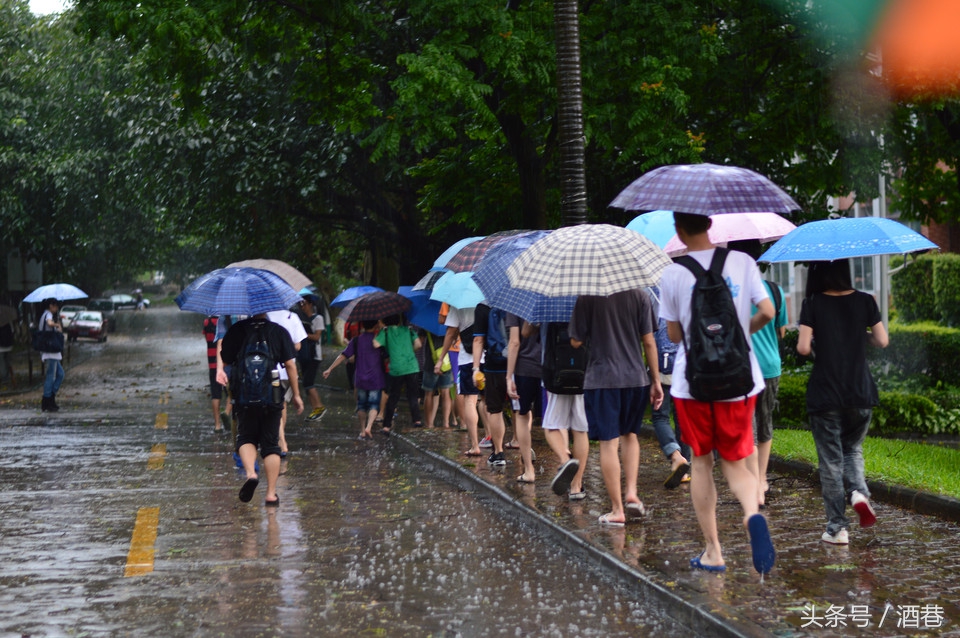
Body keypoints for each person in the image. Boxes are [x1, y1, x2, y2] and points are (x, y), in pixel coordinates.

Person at [659, 212, 775, 574]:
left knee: (702, 462)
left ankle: (713, 551)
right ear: (710, 225)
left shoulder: (673, 273)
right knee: (736, 462)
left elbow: (676, 337)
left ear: (679, 230)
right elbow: (768, 312)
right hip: (740, 381)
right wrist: (742, 330)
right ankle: (751, 514)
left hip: (692, 385)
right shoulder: (741, 261)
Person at [797, 259, 888, 545]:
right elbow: (882, 340)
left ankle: (837, 528)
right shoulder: (865, 301)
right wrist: (861, 337)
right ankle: (859, 492)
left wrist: (817, 343)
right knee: (852, 450)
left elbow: (801, 347)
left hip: (826, 393)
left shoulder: (812, 303)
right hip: (860, 391)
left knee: (831, 462)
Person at [569, 289, 662, 526]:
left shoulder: (586, 296)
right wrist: (656, 380)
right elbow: (649, 341)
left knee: (609, 443)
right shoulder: (640, 295)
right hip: (635, 378)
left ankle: (617, 510)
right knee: (630, 435)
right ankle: (631, 492)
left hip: (602, 379)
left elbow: (576, 341)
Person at [218, 313, 303, 506]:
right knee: (271, 444)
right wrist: (296, 395)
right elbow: (290, 364)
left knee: (245, 437)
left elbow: (226, 361)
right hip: (271, 396)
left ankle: (251, 474)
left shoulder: (237, 330)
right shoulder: (278, 331)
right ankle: (271, 494)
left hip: (244, 395)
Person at [728, 239, 789, 508]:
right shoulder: (774, 291)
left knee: (747, 429)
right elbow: (782, 331)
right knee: (765, 425)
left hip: (741, 368)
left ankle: (754, 486)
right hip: (771, 366)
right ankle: (762, 479)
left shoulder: (730, 291)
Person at [645, 286, 691, 489]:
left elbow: (647, 336)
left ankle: (675, 455)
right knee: (683, 417)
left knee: (660, 416)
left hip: (660, 366)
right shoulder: (684, 289)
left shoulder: (649, 293)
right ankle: (686, 467)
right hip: (684, 365)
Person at [323, 319, 385, 439]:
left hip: (360, 378)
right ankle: (369, 427)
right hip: (375, 378)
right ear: (375, 325)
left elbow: (343, 355)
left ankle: (362, 430)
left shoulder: (356, 340)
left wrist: (329, 369)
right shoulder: (379, 340)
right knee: (374, 405)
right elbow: (387, 357)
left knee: (361, 405)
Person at [435, 305, 482, 456]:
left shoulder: (458, 304)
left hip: (467, 358)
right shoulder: (488, 300)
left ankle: (475, 445)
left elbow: (450, 333)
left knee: (470, 400)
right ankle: (495, 444)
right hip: (489, 356)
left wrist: (441, 358)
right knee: (488, 402)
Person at [472, 303, 510, 467]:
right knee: (521, 411)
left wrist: (475, 368)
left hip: (494, 366)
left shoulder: (483, 306)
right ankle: (523, 447)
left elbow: (478, 339)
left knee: (495, 410)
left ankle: (498, 452)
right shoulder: (519, 302)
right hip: (517, 365)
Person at [267, 308, 307, 457]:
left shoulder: (265, 315)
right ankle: (281, 440)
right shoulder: (292, 316)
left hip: (269, 369)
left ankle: (279, 438)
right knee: (282, 404)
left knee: (273, 405)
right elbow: (298, 345)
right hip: (287, 371)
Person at [506, 314, 540, 482]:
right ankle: (564, 460)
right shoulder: (554, 297)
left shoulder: (516, 302)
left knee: (522, 414)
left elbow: (514, 342)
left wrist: (508, 376)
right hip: (549, 366)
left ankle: (529, 470)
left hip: (524, 368)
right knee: (555, 421)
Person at [374, 315, 422, 433]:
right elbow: (418, 344)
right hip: (412, 366)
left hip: (396, 368)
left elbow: (375, 344)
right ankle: (417, 420)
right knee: (412, 395)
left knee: (393, 396)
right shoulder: (408, 329)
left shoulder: (385, 332)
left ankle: (386, 426)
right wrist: (409, 351)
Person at [299, 295, 327, 422]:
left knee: (308, 382)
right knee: (306, 384)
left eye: (304, 303)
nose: (302, 306)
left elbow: (316, 337)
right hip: (304, 354)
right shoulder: (301, 318)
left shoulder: (318, 318)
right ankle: (315, 409)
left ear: (310, 304)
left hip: (314, 355)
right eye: (301, 304)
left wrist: (303, 334)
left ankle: (320, 407)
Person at [421, 329, 454, 428]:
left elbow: (420, 341)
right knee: (446, 393)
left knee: (429, 393)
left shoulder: (427, 323)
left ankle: (429, 424)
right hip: (446, 361)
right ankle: (446, 423)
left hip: (430, 362)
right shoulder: (449, 323)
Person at [39, 298, 64, 412]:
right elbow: (49, 323)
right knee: (51, 375)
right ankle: (47, 400)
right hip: (50, 351)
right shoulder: (48, 314)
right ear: (50, 306)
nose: (57, 308)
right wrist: (56, 324)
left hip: (52, 352)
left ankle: (50, 397)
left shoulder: (45, 314)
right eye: (56, 305)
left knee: (60, 374)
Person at [202, 316, 225, 431]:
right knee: (232, 393)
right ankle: (227, 412)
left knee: (215, 394)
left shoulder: (207, 322)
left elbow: (206, 337)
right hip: (225, 362)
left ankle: (217, 425)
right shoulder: (225, 320)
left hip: (212, 363)